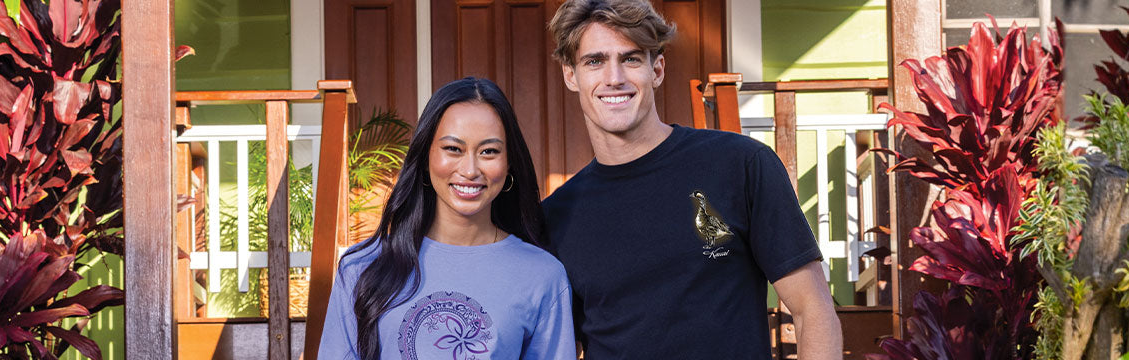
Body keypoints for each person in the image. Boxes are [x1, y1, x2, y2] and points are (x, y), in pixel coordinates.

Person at [535, 0, 843, 359]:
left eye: (631, 59)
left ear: (657, 70)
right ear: (571, 75)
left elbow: (813, 310)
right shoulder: (557, 217)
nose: (614, 78)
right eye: (595, 61)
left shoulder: (740, 165)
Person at [317, 77, 576, 360]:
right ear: (426, 155)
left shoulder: (542, 276)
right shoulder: (363, 266)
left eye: (489, 151)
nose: (470, 169)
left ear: (509, 162)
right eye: (453, 149)